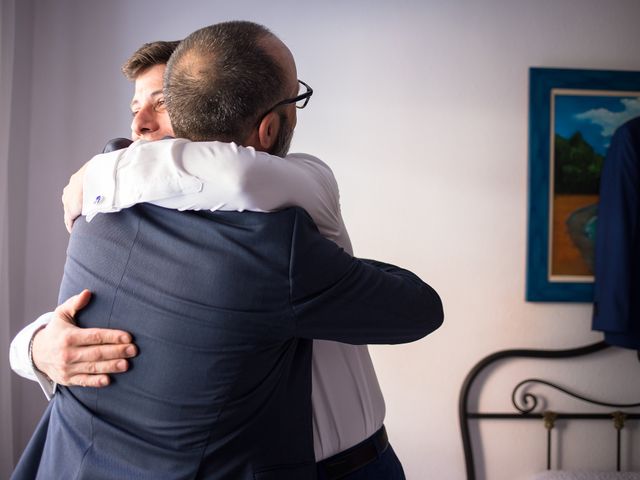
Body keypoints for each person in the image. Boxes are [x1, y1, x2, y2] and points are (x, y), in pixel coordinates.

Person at [12, 24, 443, 479]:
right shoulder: (110, 209)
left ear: (200, 110)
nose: (141, 124)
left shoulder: (101, 200)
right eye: (135, 107)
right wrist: (35, 346)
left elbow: (233, 174)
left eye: (163, 102)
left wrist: (105, 173)